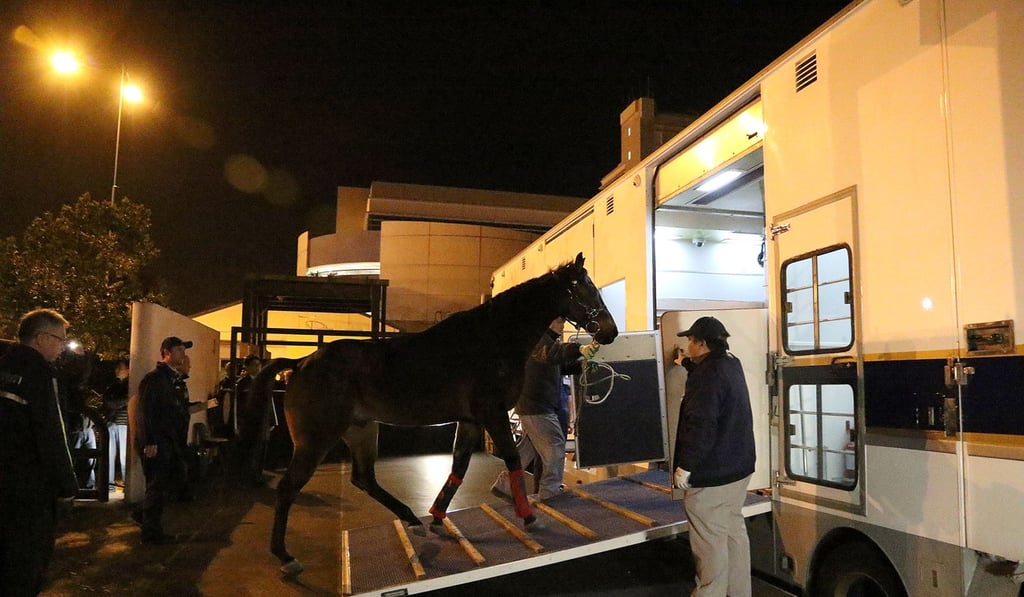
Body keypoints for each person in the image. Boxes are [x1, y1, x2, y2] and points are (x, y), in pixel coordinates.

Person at [673, 316, 756, 597]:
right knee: (733, 533)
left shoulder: (706, 376)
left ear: (702, 343)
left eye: (690, 341)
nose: (687, 344)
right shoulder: (731, 363)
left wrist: (686, 466)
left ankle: (710, 593)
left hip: (712, 475)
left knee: (710, 542)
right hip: (739, 469)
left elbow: (702, 424)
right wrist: (684, 364)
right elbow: (711, 385)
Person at [0, 309, 79, 595]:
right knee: (28, 564)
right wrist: (67, 485)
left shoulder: (5, 366)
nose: (61, 348)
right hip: (31, 487)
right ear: (42, 338)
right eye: (60, 340)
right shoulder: (40, 373)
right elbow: (52, 431)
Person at [492, 318, 598, 502]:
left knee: (528, 448)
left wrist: (581, 364)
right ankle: (549, 492)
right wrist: (579, 349)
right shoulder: (539, 340)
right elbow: (551, 353)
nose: (563, 324)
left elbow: (557, 364)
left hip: (530, 405)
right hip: (537, 406)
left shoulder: (543, 342)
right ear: (548, 322)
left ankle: (505, 484)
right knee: (555, 445)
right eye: (559, 321)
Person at [134, 336, 192, 544]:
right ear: (166, 353)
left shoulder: (172, 380)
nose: (183, 353)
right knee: (157, 486)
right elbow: (145, 411)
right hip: (157, 442)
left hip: (168, 440)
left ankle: (144, 515)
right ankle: (151, 533)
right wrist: (149, 441)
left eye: (183, 349)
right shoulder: (155, 379)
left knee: (168, 482)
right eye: (178, 349)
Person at [102, 358, 130, 490]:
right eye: (117, 368)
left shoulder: (127, 384)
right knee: (110, 454)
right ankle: (110, 485)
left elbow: (110, 402)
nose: (117, 370)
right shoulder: (114, 384)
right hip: (114, 422)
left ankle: (125, 484)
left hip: (122, 422)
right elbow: (109, 401)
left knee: (124, 456)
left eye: (121, 368)